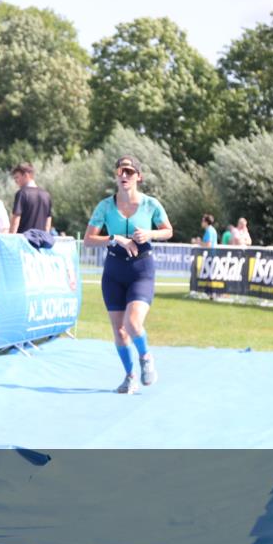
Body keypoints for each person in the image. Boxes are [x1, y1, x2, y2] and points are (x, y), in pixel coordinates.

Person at [83, 156, 173, 394]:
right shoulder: (105, 206)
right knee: (119, 331)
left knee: (132, 323)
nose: (124, 176)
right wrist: (115, 238)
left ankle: (146, 356)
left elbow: (168, 231)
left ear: (138, 177)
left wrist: (149, 234)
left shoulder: (150, 204)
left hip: (141, 270)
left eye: (130, 172)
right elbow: (88, 240)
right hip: (113, 272)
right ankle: (130, 376)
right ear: (116, 175)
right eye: (120, 171)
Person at [9, 162, 52, 234]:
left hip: (24, 241)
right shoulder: (46, 195)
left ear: (26, 175)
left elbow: (16, 219)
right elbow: (48, 221)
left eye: (17, 177)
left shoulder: (22, 193)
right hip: (40, 241)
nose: (15, 181)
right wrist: (46, 236)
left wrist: (10, 238)